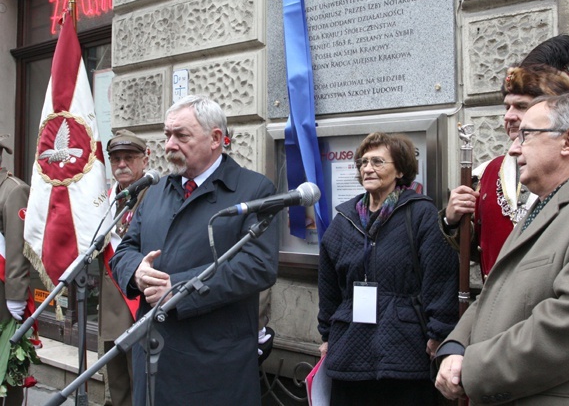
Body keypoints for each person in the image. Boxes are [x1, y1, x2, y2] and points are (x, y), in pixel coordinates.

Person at [434, 93, 569, 404]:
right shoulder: (547, 205)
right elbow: (497, 290)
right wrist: (455, 347)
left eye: (527, 135)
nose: (514, 149)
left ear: (568, 141)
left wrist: (475, 367)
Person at [110, 95, 279, 405]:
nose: (169, 144)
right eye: (167, 135)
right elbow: (125, 250)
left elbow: (258, 265)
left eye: (181, 135)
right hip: (153, 356)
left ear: (215, 138)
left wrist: (178, 288)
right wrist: (137, 271)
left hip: (212, 364)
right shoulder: (157, 190)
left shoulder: (254, 190)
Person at [440, 36, 569, 280]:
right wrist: (453, 221)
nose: (510, 117)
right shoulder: (487, 173)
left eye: (521, 106)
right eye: (507, 107)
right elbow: (481, 251)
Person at [318, 132, 458, 405]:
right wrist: (327, 335)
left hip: (404, 351)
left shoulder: (420, 214)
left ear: (401, 170)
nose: (367, 168)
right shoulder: (345, 219)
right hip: (350, 349)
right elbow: (329, 285)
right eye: (363, 162)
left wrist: (438, 334)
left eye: (378, 162)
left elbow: (440, 277)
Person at [99, 130, 150, 406]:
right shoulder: (107, 199)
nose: (121, 164)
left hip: (140, 302)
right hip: (112, 303)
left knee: (142, 379)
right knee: (117, 380)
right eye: (115, 158)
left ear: (145, 159)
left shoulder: (155, 194)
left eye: (129, 158)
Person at [0, 135, 32, 406]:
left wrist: (16, 294)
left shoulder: (13, 190)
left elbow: (16, 246)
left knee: (6, 365)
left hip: (2, 296)